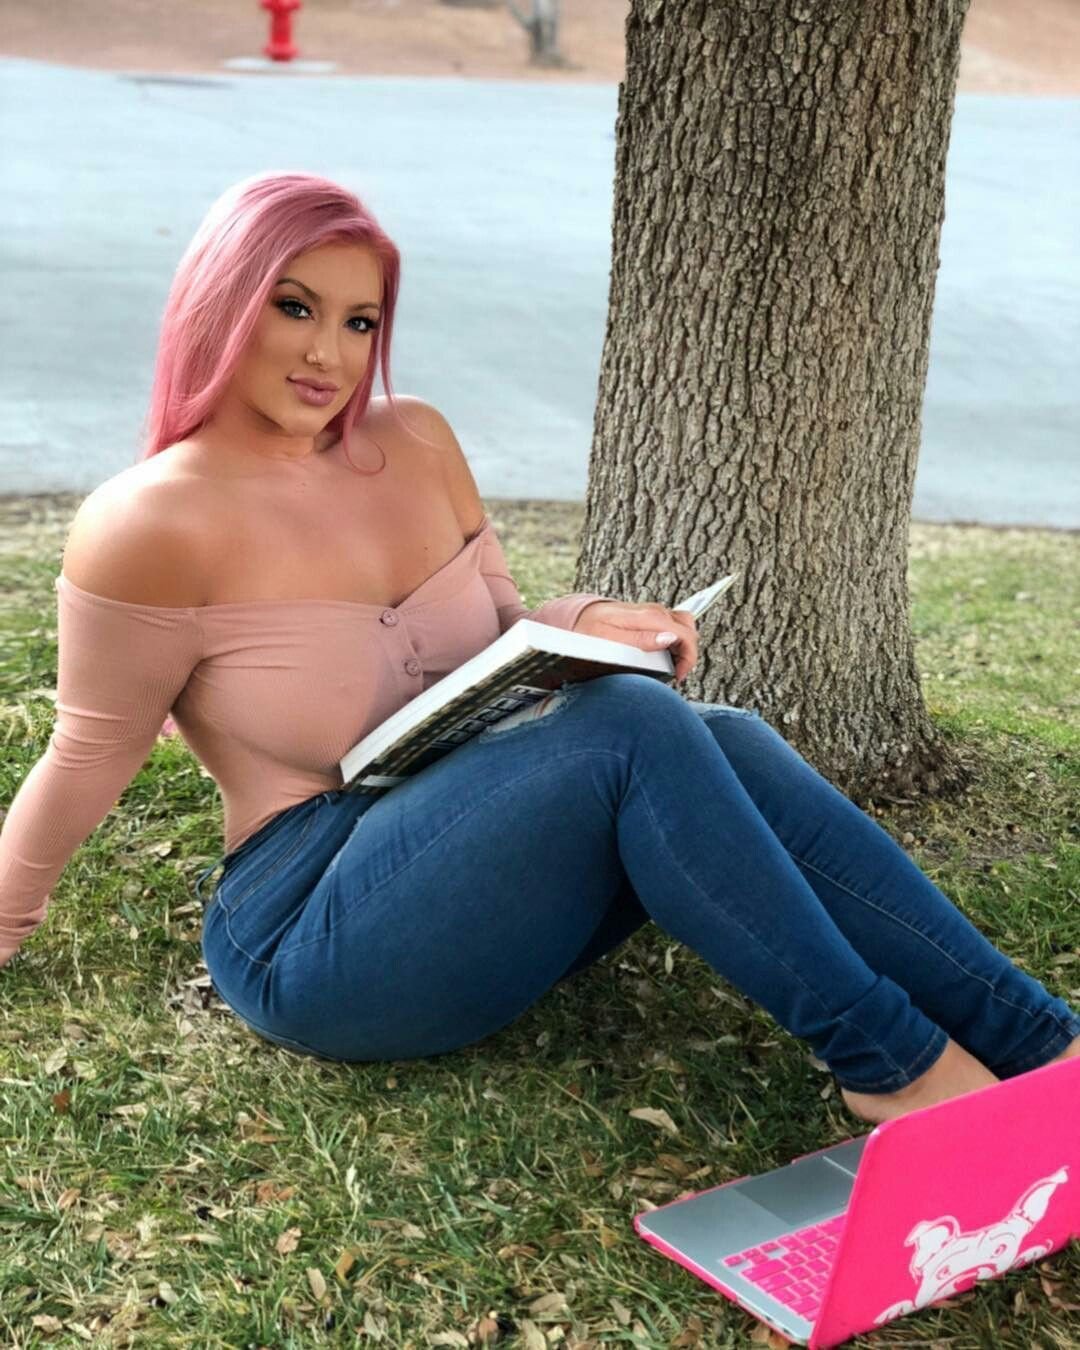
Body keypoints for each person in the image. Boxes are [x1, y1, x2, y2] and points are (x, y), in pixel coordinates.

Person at [1, 172, 1076, 1127]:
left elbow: (500, 641)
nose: (330, 353)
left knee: (729, 738)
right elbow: (89, 752)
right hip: (314, 927)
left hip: (479, 869)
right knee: (630, 726)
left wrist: (591, 617)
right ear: (222, 303)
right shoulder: (150, 523)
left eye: (360, 321)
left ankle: (1037, 1042)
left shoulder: (414, 442)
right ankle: (892, 1065)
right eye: (294, 307)